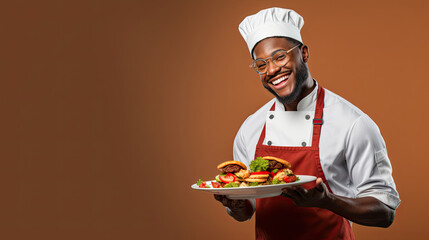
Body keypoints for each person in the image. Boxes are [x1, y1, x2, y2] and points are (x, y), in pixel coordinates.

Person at [214, 7, 400, 240]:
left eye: (280, 56)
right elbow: (246, 212)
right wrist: (236, 203)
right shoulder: (251, 128)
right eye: (261, 65)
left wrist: (326, 200)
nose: (272, 70)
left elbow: (384, 213)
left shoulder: (353, 124)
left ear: (304, 53)